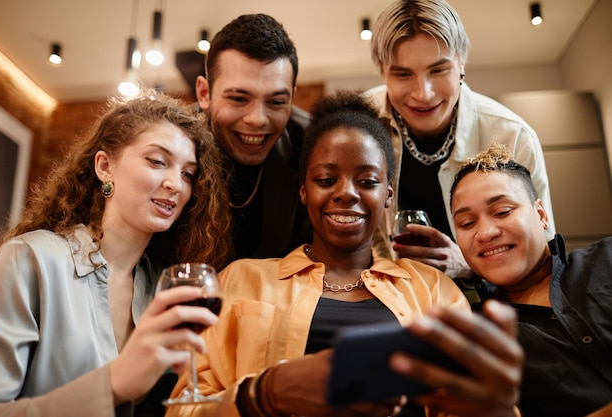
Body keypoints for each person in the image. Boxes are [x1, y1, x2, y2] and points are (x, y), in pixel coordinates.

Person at [166, 91, 523, 417]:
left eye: (367, 182)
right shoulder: (241, 280)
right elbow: (183, 408)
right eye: (325, 180)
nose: (346, 194)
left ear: (388, 194)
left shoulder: (430, 289)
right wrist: (263, 395)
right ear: (303, 191)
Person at [0, 92, 232, 416]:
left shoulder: (163, 285)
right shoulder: (31, 260)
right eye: (158, 161)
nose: (176, 183)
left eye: (188, 173)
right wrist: (112, 383)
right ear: (105, 166)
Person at [366, 0, 555, 280]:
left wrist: (467, 266)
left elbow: (544, 255)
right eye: (403, 74)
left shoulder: (512, 135)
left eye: (438, 70)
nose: (424, 93)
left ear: (461, 62)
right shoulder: (359, 125)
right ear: (382, 71)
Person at [450, 143, 612, 416]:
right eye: (467, 223)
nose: (486, 232)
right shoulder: (478, 340)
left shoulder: (607, 259)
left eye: (502, 212)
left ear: (541, 214)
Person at [195, 13, 312, 261]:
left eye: (276, 102)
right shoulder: (172, 148)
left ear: (291, 98)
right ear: (204, 93)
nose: (257, 119)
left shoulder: (312, 148)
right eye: (239, 99)